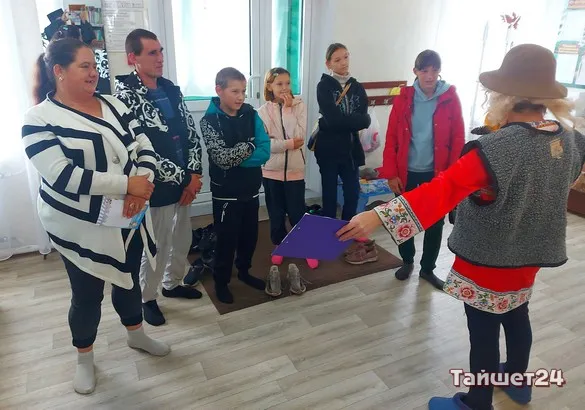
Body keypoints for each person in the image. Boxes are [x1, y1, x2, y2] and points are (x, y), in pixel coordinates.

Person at [337, 44, 585, 410]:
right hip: (530, 256)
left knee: (483, 329)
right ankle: (517, 382)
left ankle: (477, 401)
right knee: (517, 314)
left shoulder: (494, 149)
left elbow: (441, 191)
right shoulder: (572, 140)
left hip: (489, 258)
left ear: (505, 95)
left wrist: (377, 217)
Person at [23, 38, 170, 395]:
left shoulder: (115, 104)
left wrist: (140, 187)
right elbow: (62, 175)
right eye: (84, 66)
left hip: (129, 216)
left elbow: (144, 144)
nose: (94, 73)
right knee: (87, 295)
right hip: (80, 225)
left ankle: (136, 334)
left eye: (95, 65)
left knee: (128, 280)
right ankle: (84, 358)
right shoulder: (38, 119)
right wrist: (127, 185)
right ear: (59, 71)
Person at [115, 29, 204, 326]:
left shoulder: (170, 89)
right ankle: (147, 298)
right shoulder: (124, 97)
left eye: (161, 51)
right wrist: (184, 179)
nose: (160, 58)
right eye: (152, 53)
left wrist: (194, 174)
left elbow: (191, 134)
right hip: (156, 185)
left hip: (185, 180)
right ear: (133, 58)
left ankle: (172, 283)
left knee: (182, 238)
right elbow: (141, 150)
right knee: (158, 244)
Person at [377, 50, 465, 290]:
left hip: (437, 173)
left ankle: (428, 269)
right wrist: (391, 173)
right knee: (402, 217)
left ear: (439, 71)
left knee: (435, 223)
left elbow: (458, 138)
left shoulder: (450, 97)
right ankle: (407, 261)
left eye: (434, 70)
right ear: (415, 71)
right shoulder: (404, 98)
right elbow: (391, 137)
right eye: (424, 70)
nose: (430, 76)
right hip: (406, 172)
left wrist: (452, 175)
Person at [199, 67, 270, 304]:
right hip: (226, 194)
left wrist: (239, 154)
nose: (241, 97)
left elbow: (265, 150)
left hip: (251, 189)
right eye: (235, 91)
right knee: (226, 241)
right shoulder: (209, 121)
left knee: (249, 237)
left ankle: (244, 271)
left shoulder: (250, 113)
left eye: (244, 91)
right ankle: (221, 282)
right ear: (219, 90)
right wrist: (249, 146)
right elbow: (222, 159)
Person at [258, 67, 319, 275]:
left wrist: (288, 110)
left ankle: (306, 246)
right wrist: (287, 144)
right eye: (279, 84)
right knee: (276, 213)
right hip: (270, 171)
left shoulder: (299, 105)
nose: (284, 88)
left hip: (295, 171)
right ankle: (280, 244)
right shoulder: (262, 112)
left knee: (297, 212)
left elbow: (300, 137)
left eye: (287, 83)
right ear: (269, 86)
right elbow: (265, 144)